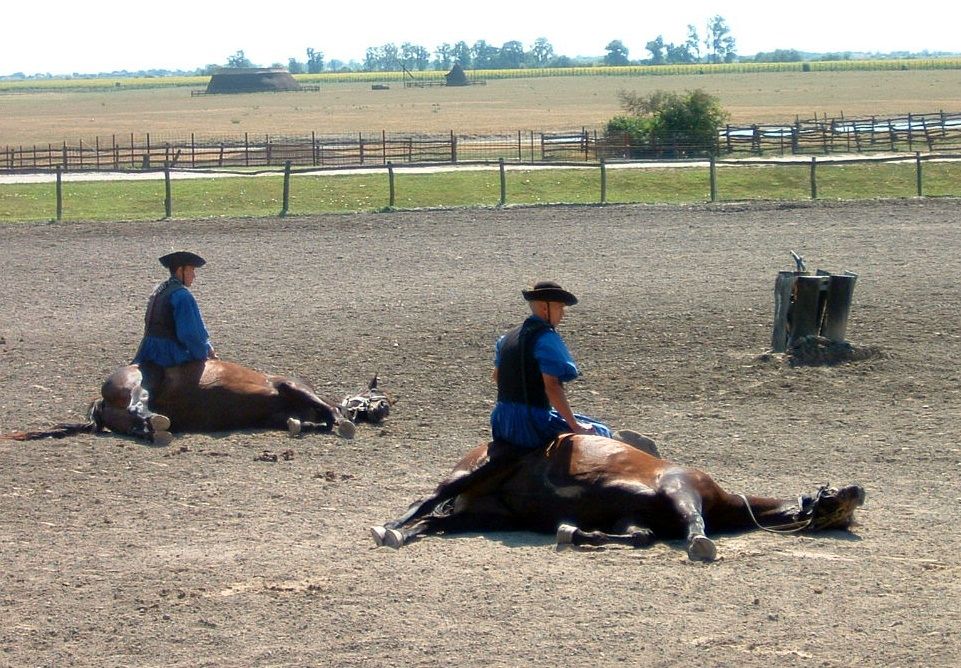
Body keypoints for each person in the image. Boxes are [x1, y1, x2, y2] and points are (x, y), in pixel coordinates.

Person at [490, 280, 612, 448]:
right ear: (544, 308)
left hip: (500, 420)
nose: (563, 313)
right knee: (600, 431)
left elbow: (497, 377)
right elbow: (552, 386)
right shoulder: (546, 338)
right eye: (559, 307)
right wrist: (575, 426)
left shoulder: (506, 339)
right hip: (531, 422)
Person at [133, 250, 217, 368]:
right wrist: (204, 353)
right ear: (180, 270)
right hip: (170, 354)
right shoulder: (182, 296)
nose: (194, 275)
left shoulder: (158, 291)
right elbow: (190, 334)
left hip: (147, 351)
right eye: (191, 269)